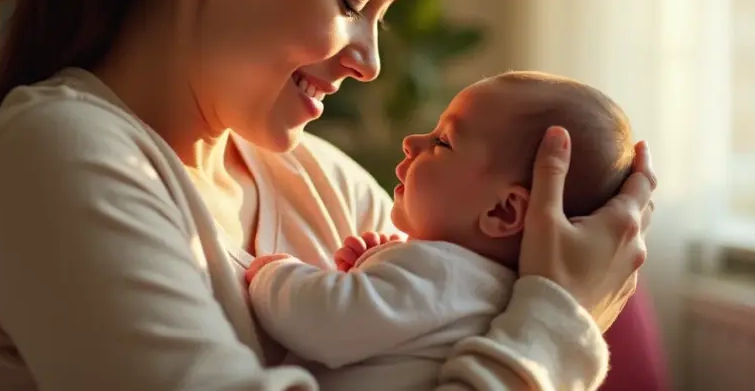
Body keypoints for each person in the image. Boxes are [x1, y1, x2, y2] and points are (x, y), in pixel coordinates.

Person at [0, 0, 657, 390]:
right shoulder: (54, 157)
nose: (370, 62)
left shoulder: (332, 189)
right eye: (353, 3)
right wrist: (556, 327)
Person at [244, 71, 636, 391]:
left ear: (502, 210)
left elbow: (324, 321)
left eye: (443, 142)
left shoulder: (437, 271)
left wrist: (275, 275)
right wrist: (378, 268)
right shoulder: (510, 301)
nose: (413, 141)